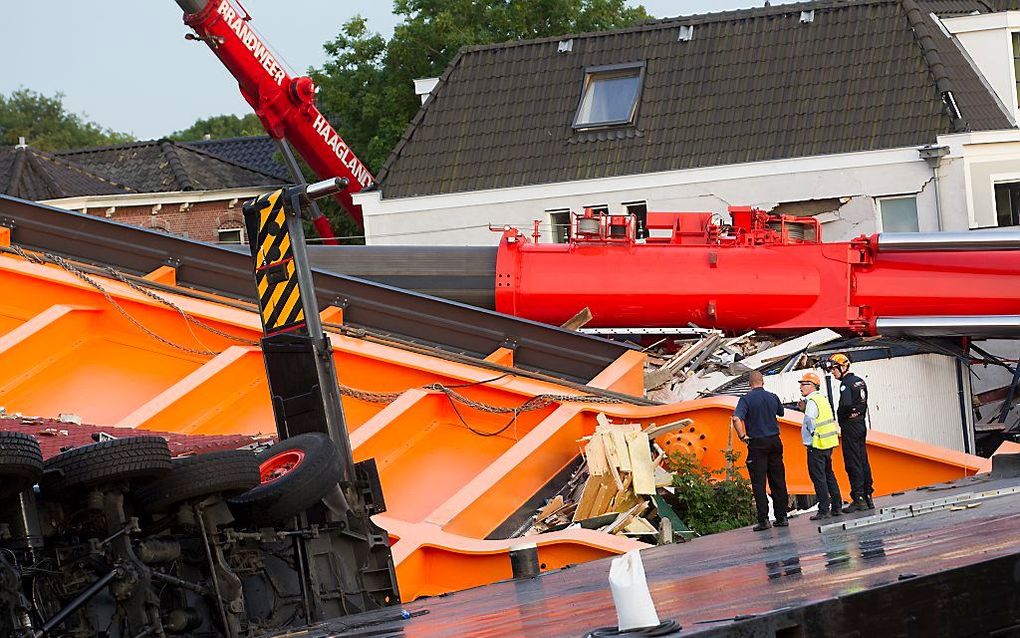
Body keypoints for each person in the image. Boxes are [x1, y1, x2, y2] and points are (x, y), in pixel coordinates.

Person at [732, 370, 789, 531]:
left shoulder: (746, 399)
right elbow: (781, 412)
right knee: (778, 479)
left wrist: (742, 436)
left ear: (749, 384)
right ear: (763, 382)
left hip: (757, 443)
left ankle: (764, 520)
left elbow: (736, 418)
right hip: (775, 441)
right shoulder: (772, 397)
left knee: (759, 482)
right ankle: (782, 516)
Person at [828, 353, 874, 512]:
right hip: (861, 423)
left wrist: (842, 416)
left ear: (843, 367)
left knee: (852, 462)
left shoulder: (846, 384)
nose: (832, 372)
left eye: (834, 369)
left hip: (850, 427)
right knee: (863, 459)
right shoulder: (860, 381)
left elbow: (845, 406)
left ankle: (859, 498)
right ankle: (868, 496)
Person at [797, 371, 842, 520]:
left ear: (813, 386)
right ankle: (836, 506)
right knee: (829, 475)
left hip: (816, 445)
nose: (801, 387)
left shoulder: (811, 401)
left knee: (818, 477)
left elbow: (810, 420)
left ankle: (823, 509)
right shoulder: (822, 399)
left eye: (804, 384)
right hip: (828, 444)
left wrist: (812, 434)